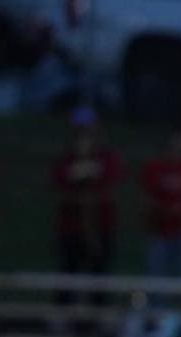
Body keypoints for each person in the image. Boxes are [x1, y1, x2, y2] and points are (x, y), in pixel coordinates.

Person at [50, 106, 123, 306]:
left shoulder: (108, 158)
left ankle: (96, 319)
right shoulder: (65, 159)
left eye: (88, 128)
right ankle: (64, 317)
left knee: (99, 275)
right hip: (71, 227)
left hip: (101, 226)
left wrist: (91, 199)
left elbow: (111, 190)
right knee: (68, 273)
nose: (85, 134)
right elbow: (59, 190)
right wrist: (79, 197)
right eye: (80, 129)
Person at [139, 125, 181, 287]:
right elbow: (146, 198)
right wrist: (163, 211)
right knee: (156, 276)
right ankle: (157, 309)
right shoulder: (154, 167)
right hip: (159, 230)